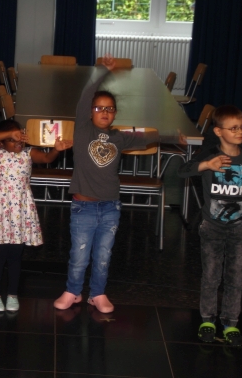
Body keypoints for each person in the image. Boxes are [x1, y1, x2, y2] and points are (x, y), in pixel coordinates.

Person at [53, 58, 159, 314]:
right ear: (90, 111)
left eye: (110, 109)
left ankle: (97, 293)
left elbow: (147, 137)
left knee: (103, 256)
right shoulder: (82, 130)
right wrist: (103, 71)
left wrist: (173, 136)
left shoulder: (119, 137)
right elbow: (85, 95)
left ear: (115, 114)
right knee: (79, 255)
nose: (104, 112)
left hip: (111, 207)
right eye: (99, 108)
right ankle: (73, 291)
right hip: (83, 207)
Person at [178, 105, 242, 346]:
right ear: (218, 131)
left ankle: (231, 323)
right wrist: (206, 166)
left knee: (236, 278)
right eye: (233, 128)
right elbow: (182, 170)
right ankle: (207, 320)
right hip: (212, 227)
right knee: (211, 276)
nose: (240, 132)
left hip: (241, 228)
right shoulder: (209, 155)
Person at [0, 119, 73, 312]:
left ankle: (13, 294)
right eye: (12, 139)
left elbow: (47, 159)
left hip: (21, 212)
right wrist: (9, 134)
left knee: (15, 256)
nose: (18, 142)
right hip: (1, 212)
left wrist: (56, 150)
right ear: (2, 141)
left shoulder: (28, 153)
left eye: (20, 137)